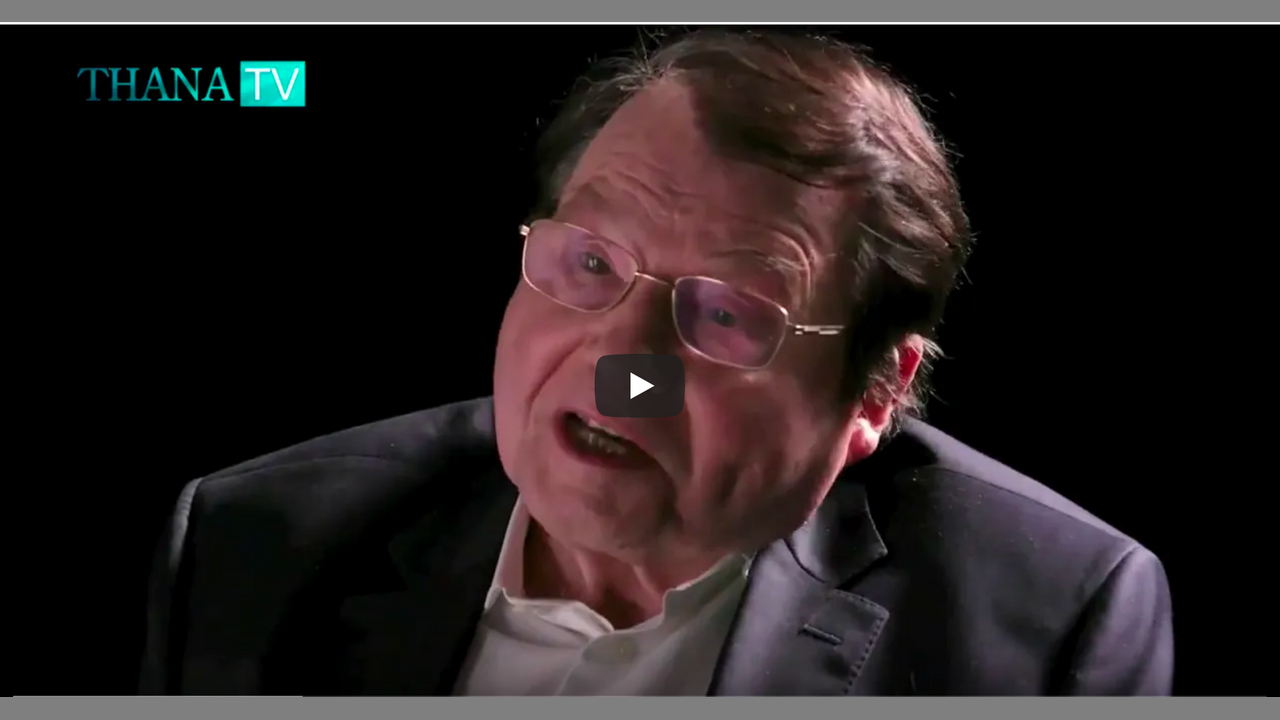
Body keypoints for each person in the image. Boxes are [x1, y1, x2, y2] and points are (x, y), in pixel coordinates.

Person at [139, 29, 1174, 696]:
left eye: (723, 315)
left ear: (873, 395)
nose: (623, 366)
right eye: (592, 263)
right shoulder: (254, 545)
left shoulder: (1051, 629)